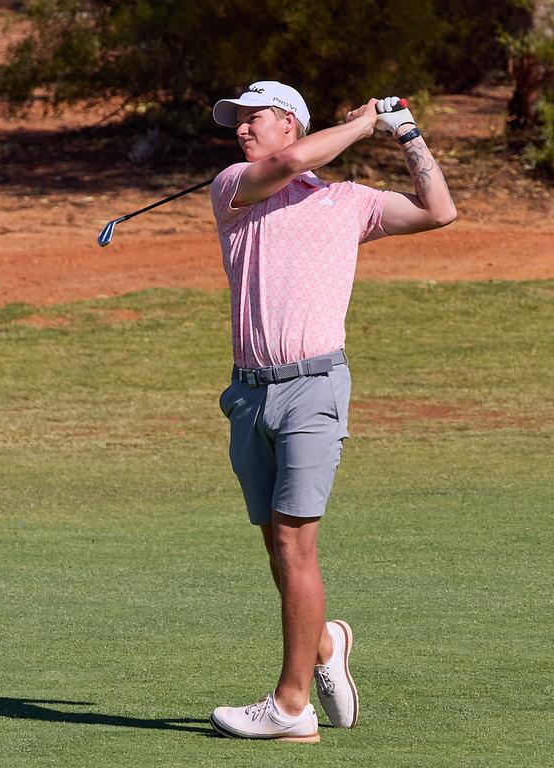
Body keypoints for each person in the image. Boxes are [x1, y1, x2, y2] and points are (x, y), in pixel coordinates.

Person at [206, 81, 456, 743]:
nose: (240, 130)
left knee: (295, 544)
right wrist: (363, 125)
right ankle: (325, 646)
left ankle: (291, 707)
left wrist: (401, 131)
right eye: (236, 121)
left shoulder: (349, 204)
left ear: (289, 122)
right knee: (277, 551)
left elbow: (440, 210)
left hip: (314, 389)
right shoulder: (236, 184)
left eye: (252, 119)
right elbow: (285, 167)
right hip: (247, 395)